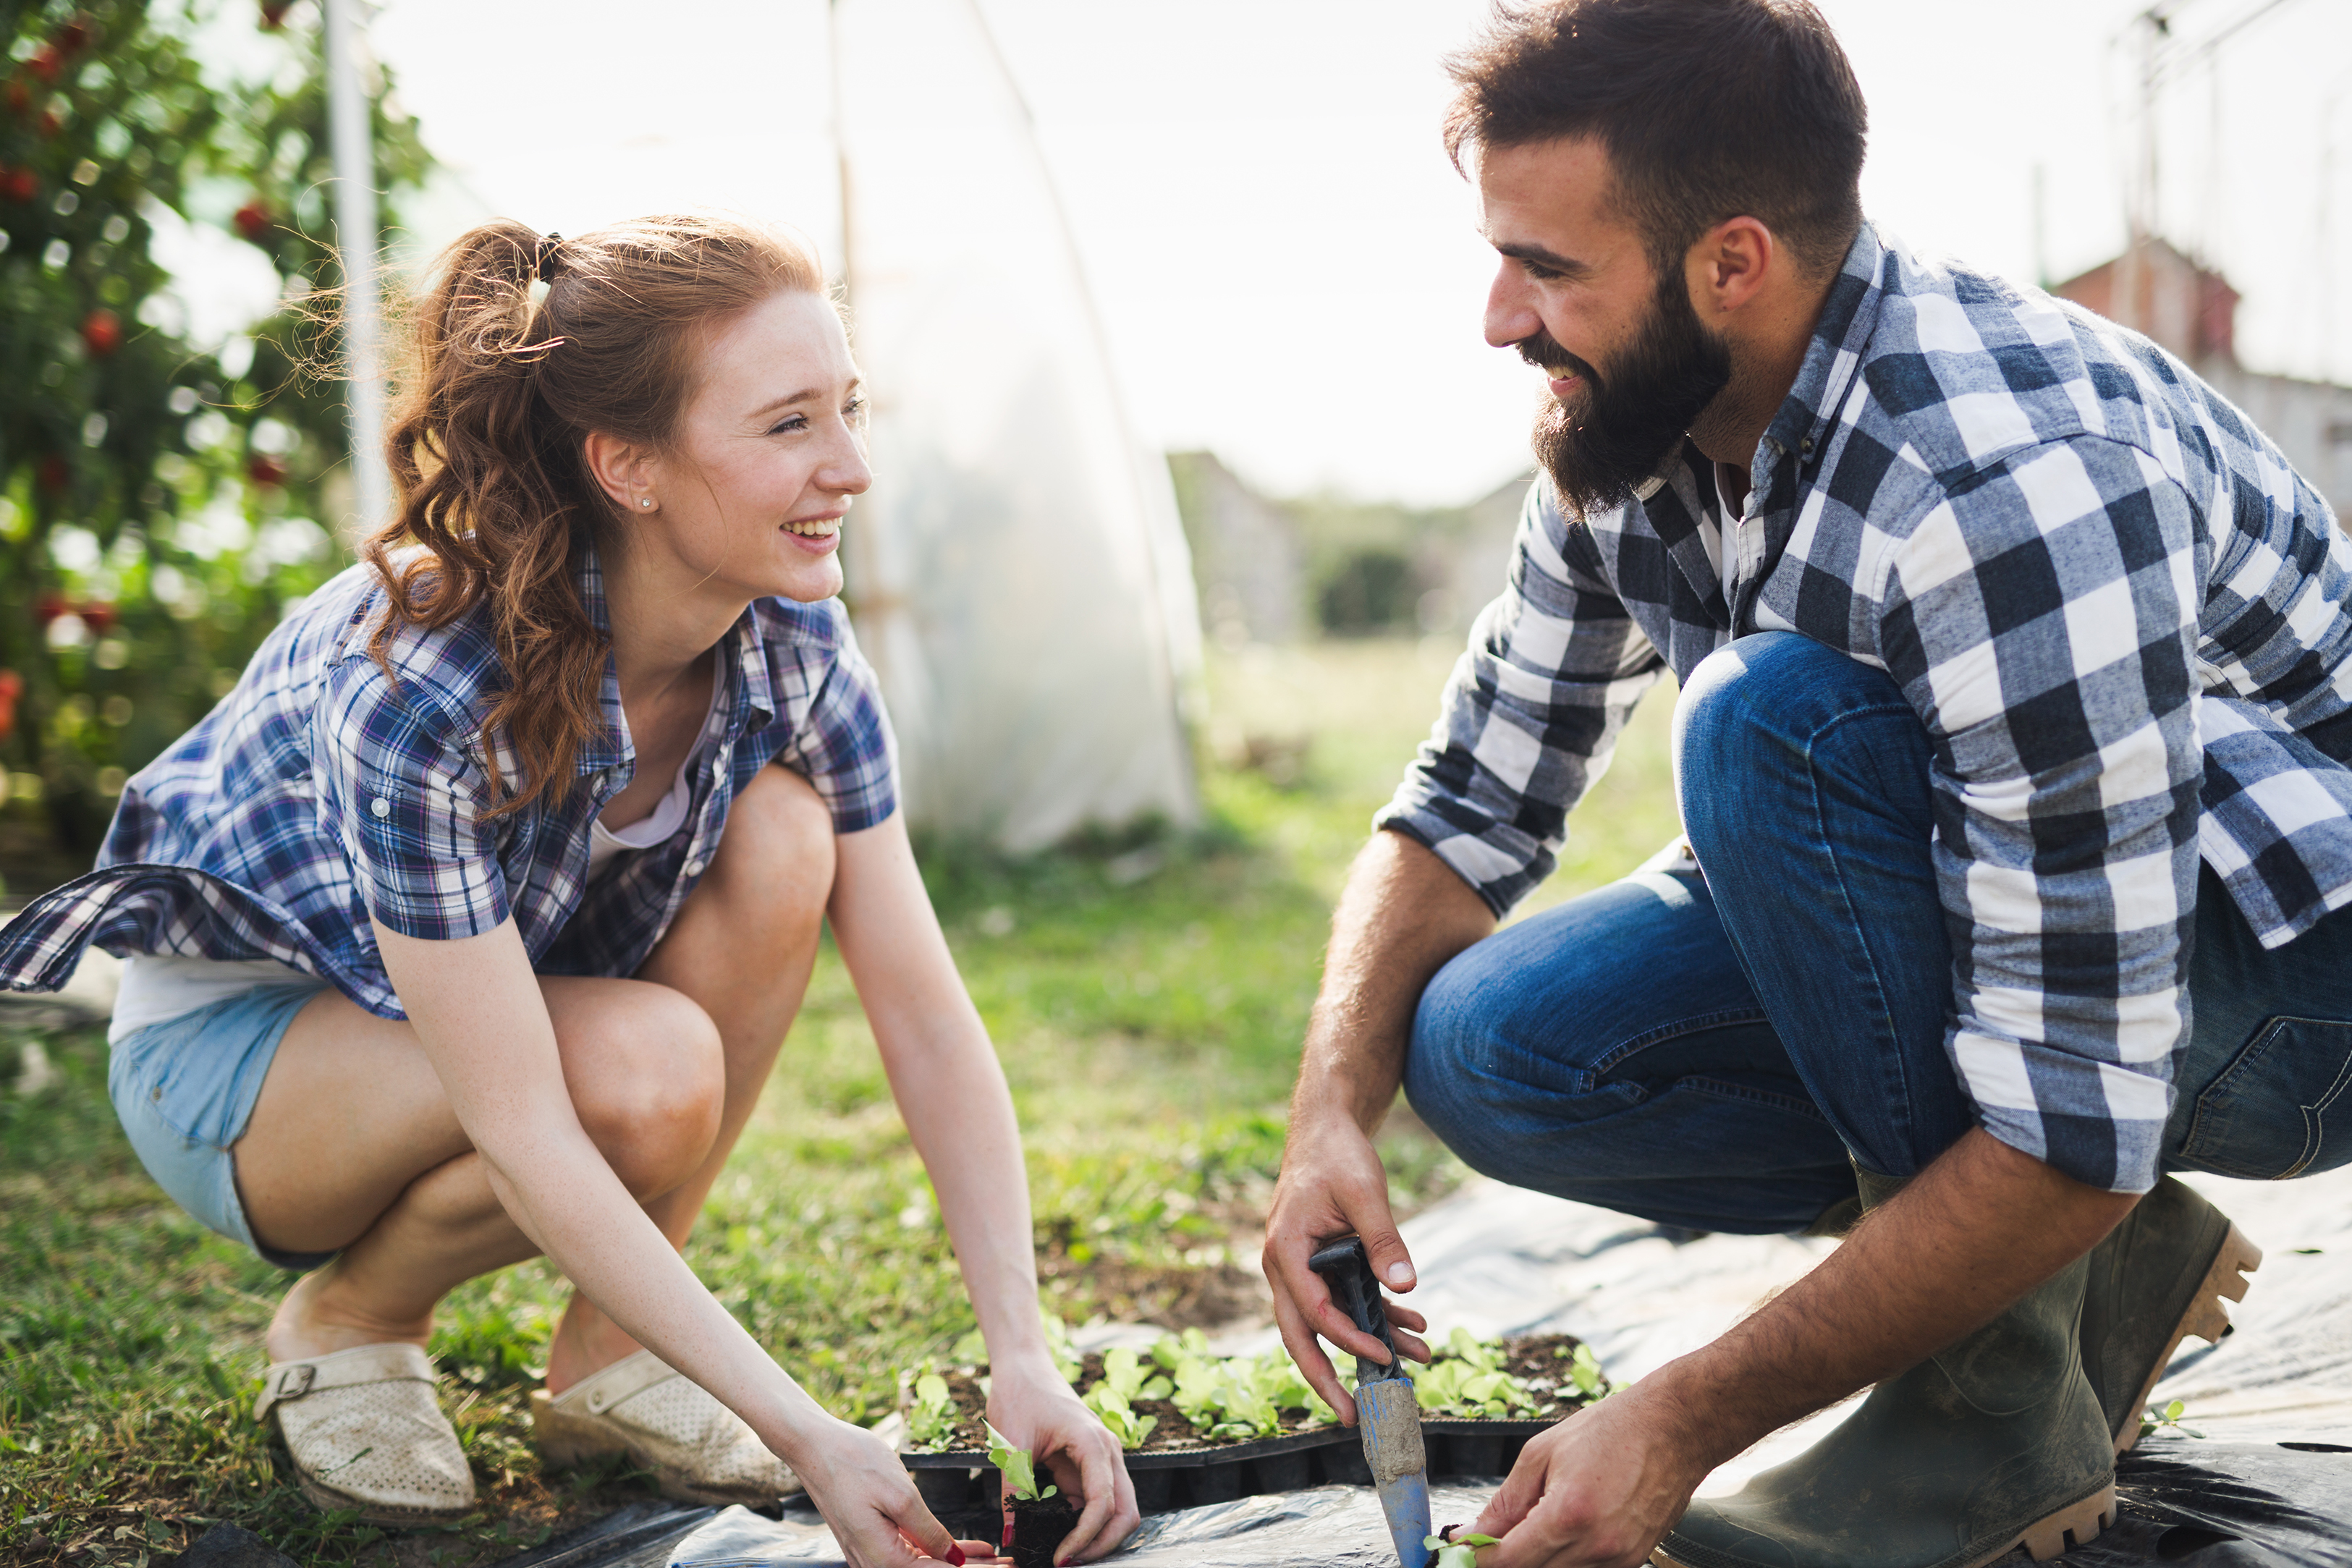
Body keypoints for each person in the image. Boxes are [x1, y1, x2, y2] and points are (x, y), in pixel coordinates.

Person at [1260, 4, 2352, 1566]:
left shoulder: (1996, 479)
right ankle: (2084, 1281)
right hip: (2036, 932)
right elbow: (1464, 800)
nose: (1499, 316)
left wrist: (1684, 1416)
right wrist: (1324, 1125)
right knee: (1486, 1045)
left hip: (2293, 965)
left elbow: (2071, 1110)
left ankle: (1989, 1416)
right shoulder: (1622, 423)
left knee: (1763, 720)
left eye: (1549, 267)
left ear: (1732, 263)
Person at [0, 215, 1135, 1567]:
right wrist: (802, 1428)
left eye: (848, 407)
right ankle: (350, 1323)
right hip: (236, 1064)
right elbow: (526, 1119)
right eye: (786, 425)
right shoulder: (420, 682)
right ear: (627, 467)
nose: (852, 467)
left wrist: (1026, 1357)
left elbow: (928, 1017)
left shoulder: (795, 646)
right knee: (647, 1072)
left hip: (476, 1023)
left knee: (785, 832)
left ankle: (607, 1360)